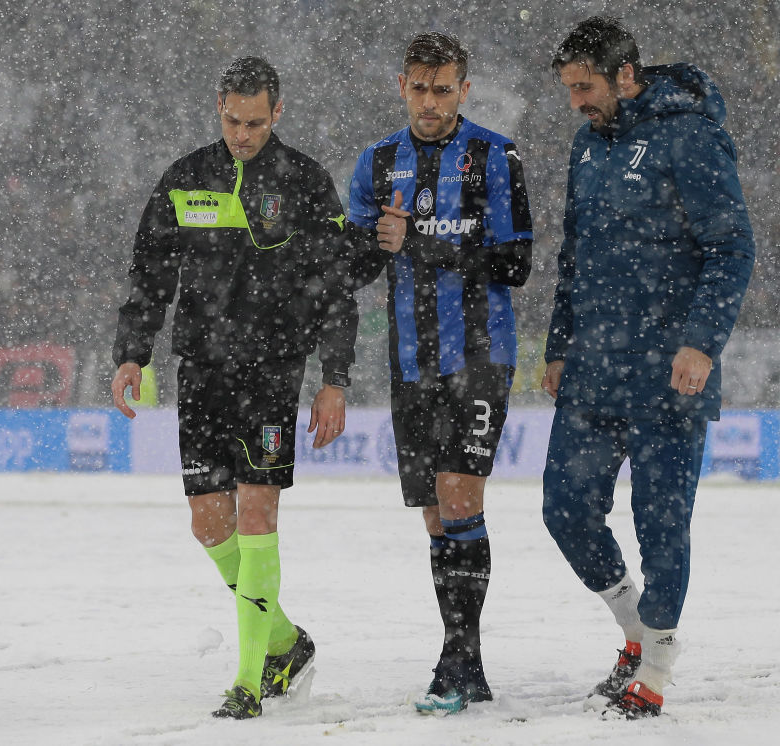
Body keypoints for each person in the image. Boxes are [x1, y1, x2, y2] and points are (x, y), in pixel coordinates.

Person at [111, 56, 356, 720]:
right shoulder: (184, 178)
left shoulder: (304, 182)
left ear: (277, 113)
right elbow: (149, 276)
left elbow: (337, 291)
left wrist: (334, 380)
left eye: (254, 123)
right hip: (202, 375)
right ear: (217, 105)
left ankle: (249, 682)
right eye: (232, 121)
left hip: (273, 375)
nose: (242, 135)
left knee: (256, 517)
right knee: (208, 523)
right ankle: (282, 642)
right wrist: (132, 355)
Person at [541, 16, 756, 719]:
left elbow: (731, 248)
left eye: (586, 86)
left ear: (625, 75)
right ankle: (635, 630)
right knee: (565, 508)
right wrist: (558, 343)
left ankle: (656, 665)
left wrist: (700, 341)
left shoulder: (689, 135)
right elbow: (574, 257)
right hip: (594, 369)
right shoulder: (586, 147)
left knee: (661, 525)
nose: (576, 101)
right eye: (569, 88)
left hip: (670, 373)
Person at [346, 32, 533, 715]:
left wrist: (426, 242)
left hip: (480, 355)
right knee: (436, 514)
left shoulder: (494, 155)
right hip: (410, 361)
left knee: (459, 494)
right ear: (403, 86)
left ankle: (455, 661)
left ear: (465, 88)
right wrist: (373, 242)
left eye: (444, 88)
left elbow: (516, 265)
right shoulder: (377, 161)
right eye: (420, 88)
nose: (431, 102)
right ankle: (468, 661)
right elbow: (353, 265)